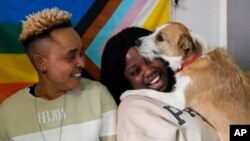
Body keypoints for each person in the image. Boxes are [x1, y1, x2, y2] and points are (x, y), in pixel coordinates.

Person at [0, 8, 117, 141]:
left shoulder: (97, 95)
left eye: (80, 54)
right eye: (71, 56)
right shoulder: (7, 113)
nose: (82, 63)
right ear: (41, 62)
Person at [101, 27, 220, 141]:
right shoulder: (132, 108)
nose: (148, 71)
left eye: (152, 58)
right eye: (135, 71)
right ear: (123, 81)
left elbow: (230, 125)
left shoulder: (186, 87)